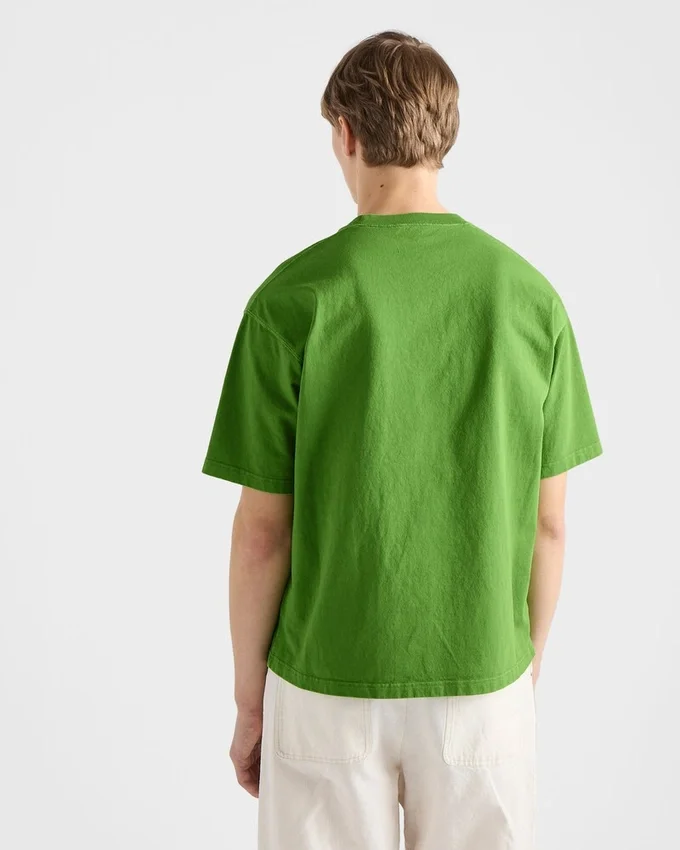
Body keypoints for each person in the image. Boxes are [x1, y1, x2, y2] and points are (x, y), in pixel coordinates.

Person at [202, 30, 602, 850]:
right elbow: (551, 524)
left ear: (347, 134)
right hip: (480, 678)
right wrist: (521, 670)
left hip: (326, 683)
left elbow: (262, 535)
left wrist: (250, 701)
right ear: (444, 134)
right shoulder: (530, 300)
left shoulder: (292, 299)